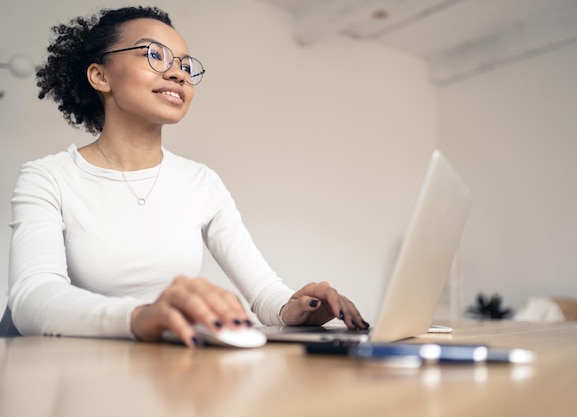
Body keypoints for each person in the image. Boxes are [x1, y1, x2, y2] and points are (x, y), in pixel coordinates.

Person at [4, 6, 368, 347]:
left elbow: (263, 292)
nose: (178, 72)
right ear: (100, 76)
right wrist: (141, 316)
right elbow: (32, 297)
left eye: (185, 65)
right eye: (154, 55)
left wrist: (297, 307)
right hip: (68, 374)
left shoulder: (201, 181)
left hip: (164, 368)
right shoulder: (48, 177)